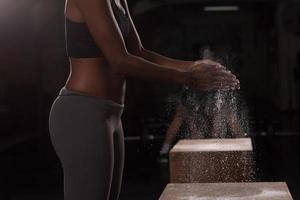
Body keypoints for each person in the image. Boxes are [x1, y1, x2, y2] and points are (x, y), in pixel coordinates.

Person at [48, 0, 240, 199]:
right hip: (82, 111)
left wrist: (192, 67)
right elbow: (120, 61)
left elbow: (137, 52)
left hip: (111, 113)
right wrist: (187, 78)